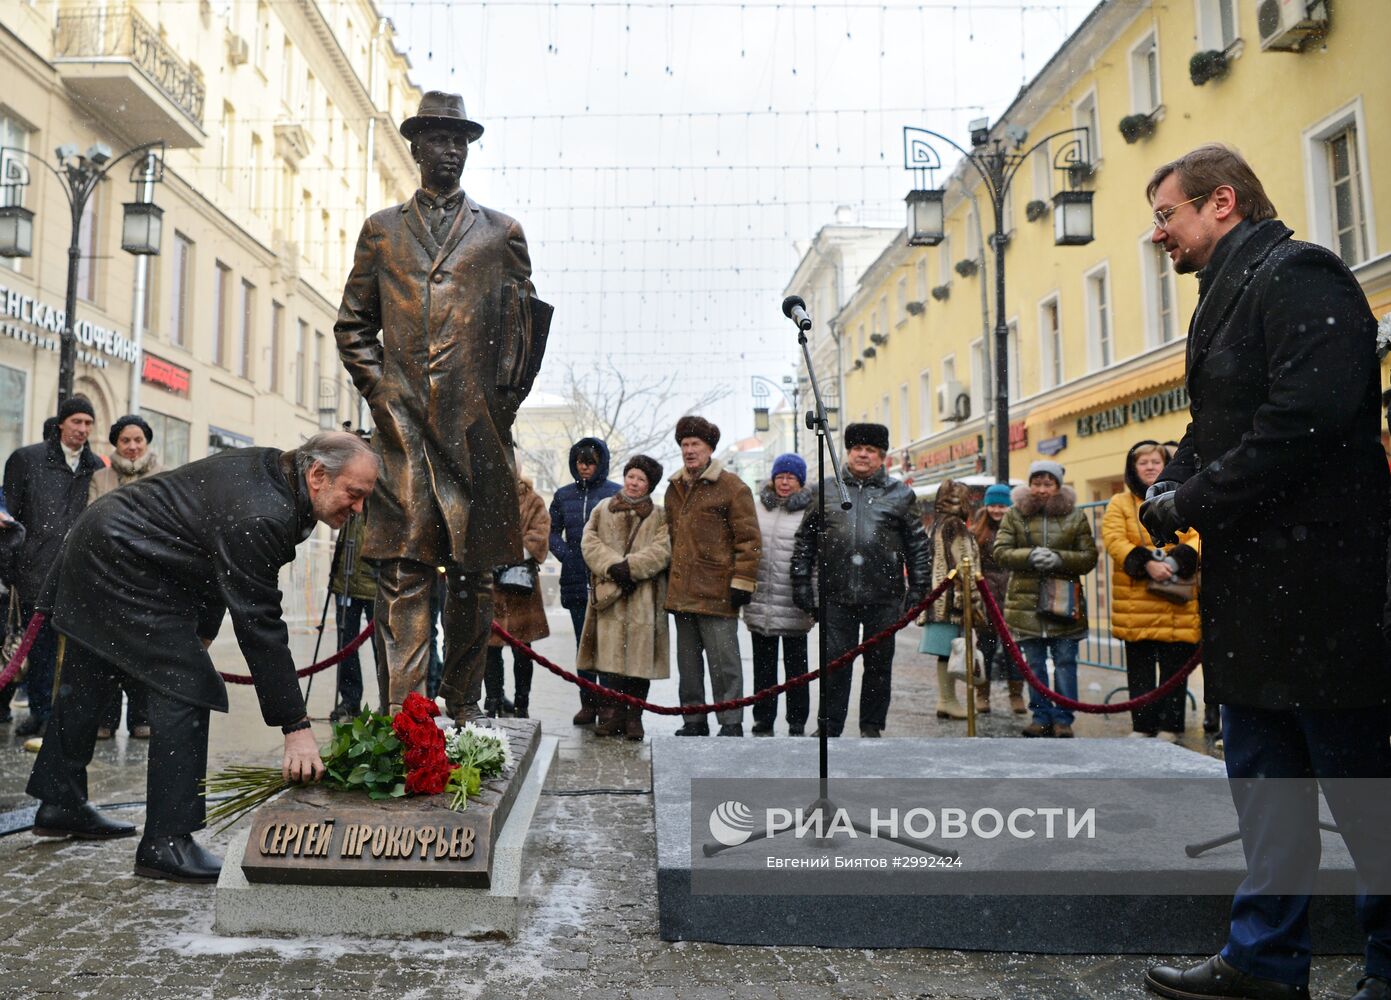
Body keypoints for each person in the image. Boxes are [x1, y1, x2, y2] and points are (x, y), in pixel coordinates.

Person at [1138, 145, 1391, 1000]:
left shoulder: (1299, 273)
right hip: (1256, 595)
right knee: (1267, 794)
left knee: (1365, 798)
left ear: (1221, 202)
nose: (1157, 233)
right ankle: (1262, 961)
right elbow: (1217, 423)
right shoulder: (1223, 298)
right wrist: (1170, 481)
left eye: (1166, 214)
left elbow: (1305, 419)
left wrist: (1194, 494)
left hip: (1329, 591)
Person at [26, 432, 378, 883]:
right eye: (355, 494)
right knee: (188, 689)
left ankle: (60, 801)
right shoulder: (264, 510)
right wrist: (296, 729)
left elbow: (211, 557)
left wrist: (203, 633)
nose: (359, 508)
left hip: (104, 544)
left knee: (91, 675)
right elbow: (260, 627)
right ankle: (167, 843)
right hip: (121, 558)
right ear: (317, 475)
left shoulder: (275, 476)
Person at [335, 91, 552, 722]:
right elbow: (353, 327)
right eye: (438, 139)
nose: (450, 151)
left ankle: (463, 710)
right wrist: (383, 394)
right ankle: (406, 722)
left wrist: (502, 404)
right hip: (402, 431)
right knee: (402, 571)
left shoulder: (501, 232)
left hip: (477, 433)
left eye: (459, 141)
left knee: (474, 576)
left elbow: (523, 329)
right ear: (417, 147)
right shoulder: (381, 231)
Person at [791, 423, 930, 738]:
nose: (863, 455)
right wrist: (801, 583)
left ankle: (871, 726)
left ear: (882, 457)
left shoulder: (900, 494)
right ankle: (830, 725)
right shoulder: (824, 490)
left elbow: (918, 546)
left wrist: (919, 588)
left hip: (883, 596)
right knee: (834, 665)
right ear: (849, 453)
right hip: (836, 595)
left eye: (871, 451)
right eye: (857, 449)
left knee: (879, 667)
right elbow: (805, 542)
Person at [2, 395, 103, 736]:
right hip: (35, 570)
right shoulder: (27, 460)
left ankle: (64, 713)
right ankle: (40, 712)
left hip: (79, 573)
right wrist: (12, 567)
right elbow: (11, 518)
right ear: (61, 423)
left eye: (88, 423)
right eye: (77, 422)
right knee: (38, 647)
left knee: (74, 650)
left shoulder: (95, 468)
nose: (82, 429)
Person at [664, 416, 760, 737]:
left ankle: (730, 722)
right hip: (682, 594)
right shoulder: (674, 488)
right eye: (685, 445)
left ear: (709, 449)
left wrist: (742, 583)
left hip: (718, 593)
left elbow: (749, 541)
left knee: (724, 665)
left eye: (696, 445)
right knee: (688, 668)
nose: (689, 451)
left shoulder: (732, 488)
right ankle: (693, 720)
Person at [1100, 440, 1201, 743]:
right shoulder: (1119, 502)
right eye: (1142, 463)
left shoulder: (1183, 496)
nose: (1149, 467)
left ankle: (1172, 726)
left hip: (1176, 599)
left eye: (1156, 462)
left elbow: (1197, 534)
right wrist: (1144, 561)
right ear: (1133, 468)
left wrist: (1176, 558)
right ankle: (1143, 726)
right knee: (1141, 670)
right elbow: (1113, 537)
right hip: (1136, 600)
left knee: (1174, 670)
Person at [993, 460, 1098, 739]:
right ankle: (1040, 715)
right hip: (1025, 603)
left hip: (1063, 603)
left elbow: (1089, 557)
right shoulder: (1015, 515)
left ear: (1058, 485)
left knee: (1065, 662)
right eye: (1036, 483)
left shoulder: (1075, 517)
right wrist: (1028, 556)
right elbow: (1000, 551)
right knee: (1034, 664)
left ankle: (1064, 718)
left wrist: (1059, 559)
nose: (1041, 489)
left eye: (1048, 483)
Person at [577, 455, 670, 740]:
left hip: (643, 598)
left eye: (641, 479)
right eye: (631, 476)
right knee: (612, 662)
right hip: (611, 598)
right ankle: (615, 714)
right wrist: (612, 567)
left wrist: (630, 568)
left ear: (649, 485)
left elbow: (662, 550)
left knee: (639, 665)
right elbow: (588, 541)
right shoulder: (603, 509)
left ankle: (634, 718)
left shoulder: (659, 515)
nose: (634, 483)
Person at [87, 414, 164, 740]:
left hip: (148, 579)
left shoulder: (163, 476)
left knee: (144, 652)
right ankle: (104, 718)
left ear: (146, 443)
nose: (132, 447)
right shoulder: (100, 477)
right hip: (108, 576)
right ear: (115, 444)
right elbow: (92, 518)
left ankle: (141, 718)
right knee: (105, 650)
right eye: (125, 441)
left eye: (138, 441)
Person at [548, 437, 621, 724]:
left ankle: (609, 704)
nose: (585, 468)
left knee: (607, 645)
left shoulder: (615, 493)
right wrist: (566, 554)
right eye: (580, 462)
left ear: (600, 463)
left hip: (606, 579)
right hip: (575, 579)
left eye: (590, 462)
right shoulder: (564, 495)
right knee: (584, 645)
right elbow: (552, 531)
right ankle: (588, 703)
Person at [743, 453, 815, 737]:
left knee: (797, 670)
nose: (785, 483)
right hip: (761, 600)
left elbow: (815, 559)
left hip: (794, 600)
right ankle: (763, 719)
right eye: (780, 477)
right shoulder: (758, 508)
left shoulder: (809, 511)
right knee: (764, 668)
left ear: (800, 481)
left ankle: (797, 721)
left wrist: (812, 597)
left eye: (791, 478)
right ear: (772, 479)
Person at [485, 472, 551, 719]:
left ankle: (522, 702)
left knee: (523, 651)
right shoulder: (486, 498)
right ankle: (493, 699)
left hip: (520, 587)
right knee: (491, 650)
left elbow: (538, 536)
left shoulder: (533, 501)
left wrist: (508, 556)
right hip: (491, 584)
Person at [918, 479, 983, 721]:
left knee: (946, 653)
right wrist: (974, 598)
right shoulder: (956, 526)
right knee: (951, 652)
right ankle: (947, 700)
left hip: (937, 597)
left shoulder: (937, 524)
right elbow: (965, 565)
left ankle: (948, 699)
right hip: (952, 599)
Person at [970, 483, 1026, 715]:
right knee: (985, 649)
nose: (997, 510)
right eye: (993, 505)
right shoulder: (977, 532)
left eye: (1002, 506)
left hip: (1014, 598)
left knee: (1014, 651)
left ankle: (1016, 696)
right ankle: (982, 695)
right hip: (987, 600)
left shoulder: (1018, 528)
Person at [327, 499, 377, 722]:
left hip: (377, 585)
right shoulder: (351, 496)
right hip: (345, 582)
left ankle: (389, 700)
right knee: (346, 646)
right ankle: (349, 700)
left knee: (383, 648)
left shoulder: (380, 496)